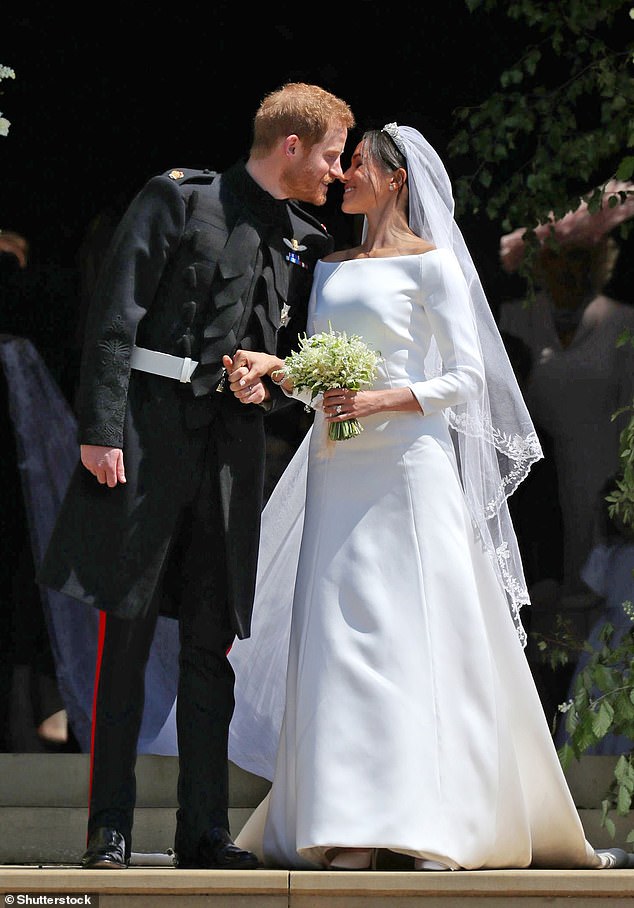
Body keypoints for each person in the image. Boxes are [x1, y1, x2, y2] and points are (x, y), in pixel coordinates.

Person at [221, 124, 632, 871]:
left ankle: (423, 816)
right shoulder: (332, 266)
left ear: (395, 178)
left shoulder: (433, 266)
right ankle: (344, 819)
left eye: (358, 166)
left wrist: (382, 400)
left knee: (412, 633)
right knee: (340, 636)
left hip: (408, 468)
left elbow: (468, 378)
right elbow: (321, 372)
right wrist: (277, 371)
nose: (343, 174)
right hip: (336, 466)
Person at [36, 82, 355, 871]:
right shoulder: (180, 200)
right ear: (291, 145)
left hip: (232, 457)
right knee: (128, 639)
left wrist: (268, 378)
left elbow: (283, 347)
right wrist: (101, 430)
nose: (339, 172)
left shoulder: (298, 236)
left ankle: (203, 832)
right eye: (330, 154)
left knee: (213, 644)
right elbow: (115, 314)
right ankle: (108, 827)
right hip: (146, 444)